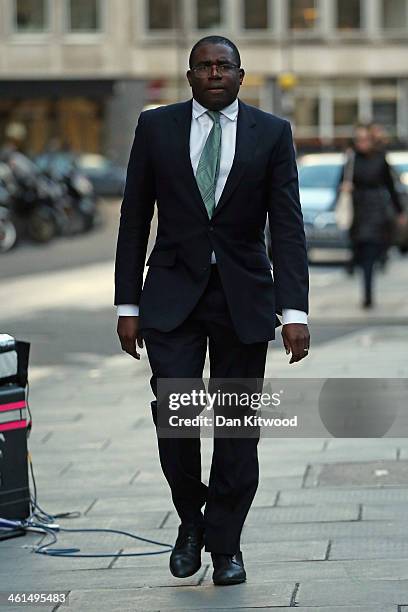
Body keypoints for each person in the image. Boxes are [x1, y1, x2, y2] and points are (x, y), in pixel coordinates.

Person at [114, 36, 310, 586]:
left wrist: (294, 309)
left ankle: (226, 546)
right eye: (205, 66)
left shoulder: (272, 134)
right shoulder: (156, 128)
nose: (215, 73)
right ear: (189, 75)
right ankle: (191, 519)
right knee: (175, 419)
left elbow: (288, 227)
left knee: (235, 427)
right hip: (171, 295)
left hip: (244, 298)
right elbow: (134, 218)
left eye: (225, 65)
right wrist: (127, 302)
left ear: (241, 75)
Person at [338, 124, 406, 308]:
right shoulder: (351, 160)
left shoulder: (381, 158)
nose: (363, 143)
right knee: (361, 246)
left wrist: (400, 211)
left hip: (376, 209)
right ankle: (357, 263)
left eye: (366, 139)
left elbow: (391, 186)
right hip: (357, 210)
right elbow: (341, 184)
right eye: (359, 139)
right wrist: (344, 188)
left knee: (370, 249)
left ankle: (368, 293)